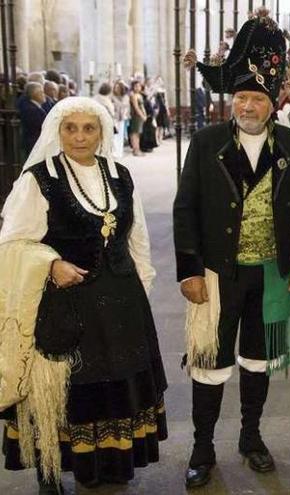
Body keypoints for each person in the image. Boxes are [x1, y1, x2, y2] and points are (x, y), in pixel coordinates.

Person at [173, 10, 290, 489]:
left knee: (258, 359)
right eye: (241, 97)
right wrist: (189, 270)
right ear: (231, 101)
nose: (248, 105)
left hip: (273, 274)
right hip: (218, 273)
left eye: (257, 97)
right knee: (210, 363)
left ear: (274, 101)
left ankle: (251, 438)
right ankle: (202, 447)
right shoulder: (206, 142)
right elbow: (185, 207)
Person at [0, 96, 167, 493]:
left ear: (102, 132)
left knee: (114, 386)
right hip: (64, 304)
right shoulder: (39, 179)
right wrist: (52, 263)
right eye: (70, 128)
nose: (79, 137)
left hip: (120, 304)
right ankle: (50, 471)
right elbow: (11, 242)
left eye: (88, 128)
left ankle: (108, 465)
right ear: (57, 132)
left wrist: (140, 287)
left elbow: (136, 235)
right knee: (63, 390)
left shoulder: (120, 175)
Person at [20, 82, 47, 157]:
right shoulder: (31, 109)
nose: (44, 95)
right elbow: (40, 126)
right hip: (34, 144)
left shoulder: (36, 107)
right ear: (34, 94)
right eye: (41, 92)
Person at [111, 81, 130, 158]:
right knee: (114, 135)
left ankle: (119, 152)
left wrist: (116, 104)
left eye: (118, 88)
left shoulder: (125, 97)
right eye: (115, 87)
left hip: (122, 117)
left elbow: (125, 106)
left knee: (120, 135)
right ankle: (114, 152)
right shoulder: (112, 96)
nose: (116, 89)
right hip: (114, 117)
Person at [129, 80, 147, 155]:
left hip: (140, 116)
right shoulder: (133, 95)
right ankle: (135, 150)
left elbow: (142, 106)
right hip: (136, 116)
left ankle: (137, 148)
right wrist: (142, 116)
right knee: (135, 133)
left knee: (138, 133)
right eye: (136, 86)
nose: (138, 87)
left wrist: (145, 114)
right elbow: (136, 107)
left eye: (139, 86)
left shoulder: (140, 95)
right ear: (133, 87)